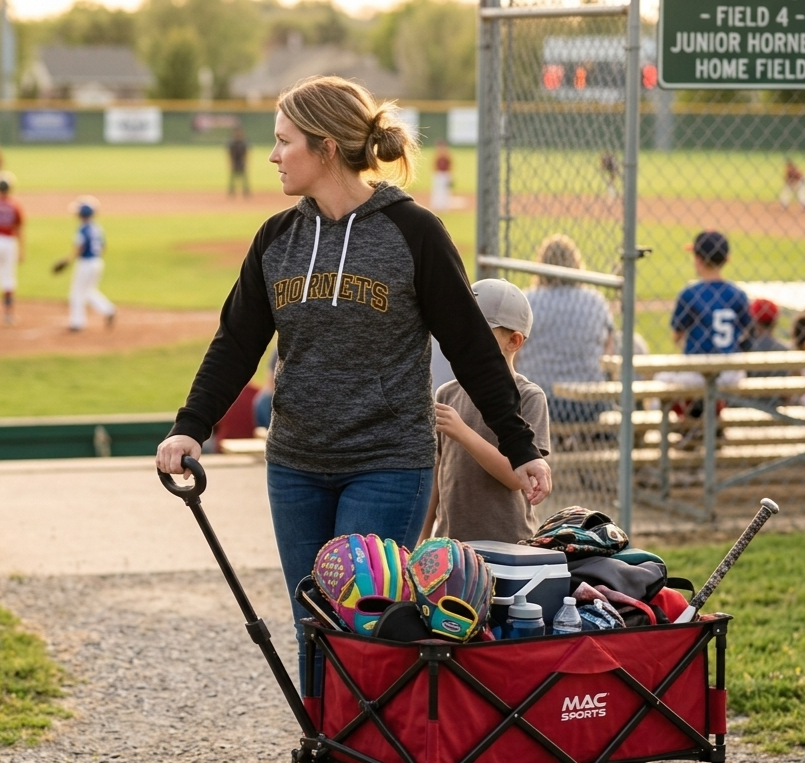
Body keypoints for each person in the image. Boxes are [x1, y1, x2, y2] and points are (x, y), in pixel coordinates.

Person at [156, 75, 551, 694]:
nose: (272, 155)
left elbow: (473, 349)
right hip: (295, 462)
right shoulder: (277, 239)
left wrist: (521, 446)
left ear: (326, 149)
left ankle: (362, 751)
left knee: (364, 620)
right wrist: (190, 426)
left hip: (389, 463)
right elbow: (236, 343)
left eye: (284, 141)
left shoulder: (414, 232)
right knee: (310, 617)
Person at [420, 277, 550, 763]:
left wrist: (464, 433)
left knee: (500, 663)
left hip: (506, 552)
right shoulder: (447, 396)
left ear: (514, 340)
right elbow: (435, 475)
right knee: (452, 663)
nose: (465, 343)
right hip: (452, 554)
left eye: (483, 334)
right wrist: (421, 537)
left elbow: (519, 477)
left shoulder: (526, 398)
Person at [515, 233, 615, 440]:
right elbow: (609, 351)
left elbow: (515, 355)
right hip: (591, 403)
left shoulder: (529, 300)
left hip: (538, 402)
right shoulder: (594, 300)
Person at [668, 230, 750, 423]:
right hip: (730, 372)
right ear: (727, 259)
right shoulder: (738, 294)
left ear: (697, 259)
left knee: (662, 379)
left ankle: (687, 427)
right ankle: (713, 420)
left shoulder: (689, 293)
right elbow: (746, 331)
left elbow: (676, 336)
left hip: (697, 371)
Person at [59, 197, 117, 332]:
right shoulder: (97, 228)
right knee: (88, 291)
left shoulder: (82, 229)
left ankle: (77, 323)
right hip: (97, 262)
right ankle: (108, 309)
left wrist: (67, 261)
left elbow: (79, 248)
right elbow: (103, 247)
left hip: (85, 263)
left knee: (76, 293)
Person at [0, 174, 24, 326]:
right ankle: (8, 315)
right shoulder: (14, 205)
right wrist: (22, 250)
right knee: (8, 277)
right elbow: (19, 228)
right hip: (9, 243)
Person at [429, 139, 452, 211]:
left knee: (445, 190)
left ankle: (444, 206)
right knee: (437, 190)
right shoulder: (438, 155)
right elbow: (434, 165)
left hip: (445, 174)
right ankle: (437, 205)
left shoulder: (446, 155)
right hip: (438, 174)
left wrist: (450, 175)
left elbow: (450, 165)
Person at [227, 127, 250, 197]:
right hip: (235, 162)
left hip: (241, 162)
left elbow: (246, 154)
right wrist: (230, 162)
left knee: (244, 178)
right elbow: (229, 154)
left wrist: (246, 162)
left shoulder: (243, 143)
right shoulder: (232, 143)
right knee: (232, 178)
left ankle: (245, 191)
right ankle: (232, 191)